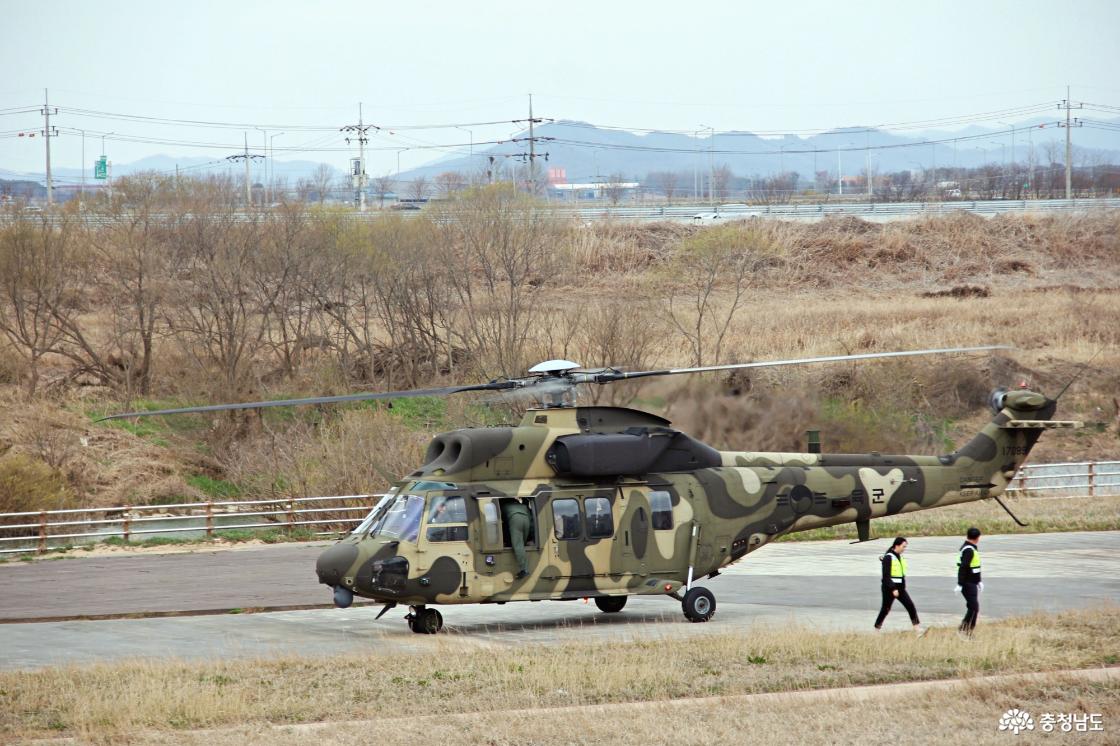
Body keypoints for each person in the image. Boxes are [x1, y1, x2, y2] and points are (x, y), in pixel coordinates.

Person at [874, 536, 925, 635]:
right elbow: (886, 576)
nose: (904, 549)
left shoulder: (900, 557)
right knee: (885, 609)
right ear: (897, 545)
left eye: (905, 547)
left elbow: (901, 574)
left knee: (910, 605)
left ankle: (917, 629)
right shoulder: (889, 557)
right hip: (889, 588)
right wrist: (893, 589)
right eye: (903, 546)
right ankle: (876, 629)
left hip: (900, 588)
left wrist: (901, 587)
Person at [957, 527, 983, 637]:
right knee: (974, 608)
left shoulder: (970, 548)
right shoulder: (969, 550)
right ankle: (966, 630)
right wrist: (960, 584)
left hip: (972, 582)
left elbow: (974, 568)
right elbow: (963, 568)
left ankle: (964, 628)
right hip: (968, 583)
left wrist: (979, 581)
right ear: (977, 538)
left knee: (972, 607)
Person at [500, 497, 532, 579]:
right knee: (522, 544)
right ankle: (525, 566)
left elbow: (502, 524)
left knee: (517, 545)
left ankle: (524, 569)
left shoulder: (504, 506)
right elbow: (531, 521)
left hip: (514, 519)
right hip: (526, 520)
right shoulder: (523, 506)